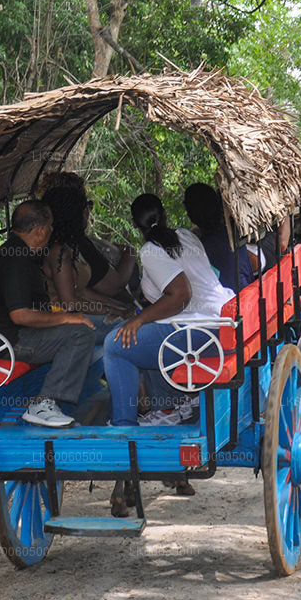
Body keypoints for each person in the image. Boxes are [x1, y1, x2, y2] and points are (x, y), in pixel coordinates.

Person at [104, 194, 234, 428]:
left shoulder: (150, 251)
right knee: (145, 333)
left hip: (204, 331)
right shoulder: (186, 235)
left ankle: (123, 425)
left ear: (133, 224)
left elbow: (181, 295)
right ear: (164, 214)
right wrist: (143, 319)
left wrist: (139, 319)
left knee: (114, 345)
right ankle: (168, 407)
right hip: (223, 320)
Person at [0, 200, 97, 428]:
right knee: (80, 334)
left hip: (22, 334)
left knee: (95, 327)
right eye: (50, 227)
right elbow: (20, 316)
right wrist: (65, 317)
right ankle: (43, 404)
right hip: (10, 342)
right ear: (40, 230)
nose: (52, 232)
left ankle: (81, 392)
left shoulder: (21, 252)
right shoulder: (16, 260)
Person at [42, 181, 134, 318]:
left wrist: (118, 307)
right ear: (75, 215)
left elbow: (82, 292)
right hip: (65, 317)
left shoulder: (68, 246)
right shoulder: (58, 251)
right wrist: (115, 312)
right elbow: (70, 302)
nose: (88, 213)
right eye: (85, 209)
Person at [182, 182, 254, 291]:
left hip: (233, 303)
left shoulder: (200, 248)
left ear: (190, 214)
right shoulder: (233, 233)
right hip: (249, 294)